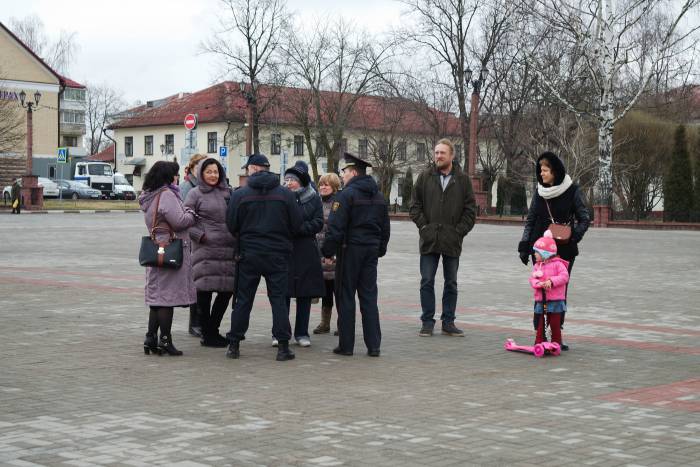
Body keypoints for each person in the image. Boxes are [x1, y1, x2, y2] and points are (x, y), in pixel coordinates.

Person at [225, 154, 303, 361]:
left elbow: (231, 225)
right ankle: (283, 347)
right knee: (278, 300)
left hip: (248, 254)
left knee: (243, 300)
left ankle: (234, 345)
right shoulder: (285, 194)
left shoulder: (240, 194)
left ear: (253, 169)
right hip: (278, 254)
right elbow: (297, 224)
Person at [518, 152, 590, 351]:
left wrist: (573, 237)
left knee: (558, 292)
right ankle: (539, 333)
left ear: (555, 172)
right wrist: (524, 246)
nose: (541, 174)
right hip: (540, 251)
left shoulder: (572, 190)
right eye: (540, 170)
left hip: (564, 251)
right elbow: (531, 220)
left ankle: (557, 334)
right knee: (540, 291)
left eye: (545, 170)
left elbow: (585, 218)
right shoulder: (539, 192)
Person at [321, 153, 390, 357]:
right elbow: (385, 227)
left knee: (346, 296)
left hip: (349, 250)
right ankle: (374, 345)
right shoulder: (378, 196)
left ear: (353, 172)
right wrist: (380, 249)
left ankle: (346, 345)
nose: (342, 176)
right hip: (370, 252)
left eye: (344, 172)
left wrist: (327, 252)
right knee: (369, 296)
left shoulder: (346, 195)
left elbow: (335, 226)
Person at [409, 138, 476, 337]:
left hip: (451, 240)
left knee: (451, 283)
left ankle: (448, 322)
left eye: (442, 153)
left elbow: (470, 211)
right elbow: (414, 206)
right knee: (427, 281)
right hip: (429, 240)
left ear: (451, 156)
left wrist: (459, 231)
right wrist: (424, 227)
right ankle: (427, 322)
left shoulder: (462, 180)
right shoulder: (425, 177)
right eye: (436, 153)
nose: (438, 156)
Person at [139, 161, 197, 356]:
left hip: (155, 251)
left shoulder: (150, 195)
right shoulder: (166, 195)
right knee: (166, 299)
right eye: (175, 174)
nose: (177, 178)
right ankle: (165, 340)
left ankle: (150, 337)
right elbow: (180, 221)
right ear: (167, 177)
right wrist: (190, 212)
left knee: (157, 298)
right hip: (169, 251)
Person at [184, 158, 237, 348]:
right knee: (204, 294)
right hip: (205, 251)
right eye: (209, 172)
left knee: (226, 292)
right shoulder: (194, 193)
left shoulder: (228, 193)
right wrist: (201, 236)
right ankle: (207, 334)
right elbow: (185, 221)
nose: (213, 175)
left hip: (228, 250)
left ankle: (213, 329)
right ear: (201, 174)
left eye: (216, 172)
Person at [283, 163, 325, 347]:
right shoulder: (281, 197)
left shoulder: (313, 198)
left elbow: (318, 222)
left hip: (306, 249)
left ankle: (302, 333)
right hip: (285, 249)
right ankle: (280, 332)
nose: (289, 183)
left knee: (304, 294)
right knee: (282, 292)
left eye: (292, 180)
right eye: (287, 179)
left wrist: (300, 229)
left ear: (301, 182)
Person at [180, 153, 208, 338]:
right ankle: (195, 323)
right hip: (192, 241)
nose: (203, 171)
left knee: (203, 282)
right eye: (200, 167)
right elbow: (184, 217)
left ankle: (203, 322)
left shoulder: (207, 188)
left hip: (207, 242)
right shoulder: (187, 188)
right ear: (192, 169)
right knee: (195, 282)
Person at [529, 230, 569, 347]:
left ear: (545, 253)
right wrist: (539, 284)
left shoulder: (558, 264)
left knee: (555, 324)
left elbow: (564, 276)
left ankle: (556, 343)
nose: (534, 255)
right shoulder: (537, 266)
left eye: (537, 252)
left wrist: (551, 281)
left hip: (556, 300)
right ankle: (539, 342)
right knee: (541, 324)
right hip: (542, 300)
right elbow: (532, 279)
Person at [313, 173, 342, 335]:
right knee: (325, 290)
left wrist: (333, 252)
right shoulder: (315, 202)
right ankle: (325, 323)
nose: (323, 187)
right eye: (321, 184)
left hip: (333, 253)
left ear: (335, 187)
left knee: (338, 290)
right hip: (317, 252)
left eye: (327, 184)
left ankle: (341, 323)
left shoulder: (339, 203)